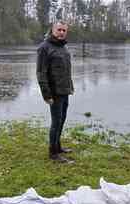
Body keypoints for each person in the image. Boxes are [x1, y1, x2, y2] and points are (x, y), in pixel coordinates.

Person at [36, 21, 75, 163]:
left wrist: (70, 87)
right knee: (55, 122)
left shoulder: (64, 48)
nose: (62, 32)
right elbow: (41, 73)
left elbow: (65, 71)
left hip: (65, 91)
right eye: (59, 29)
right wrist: (46, 95)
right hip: (54, 93)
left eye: (64, 30)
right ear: (52, 30)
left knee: (62, 120)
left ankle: (58, 147)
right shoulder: (44, 48)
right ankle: (53, 153)